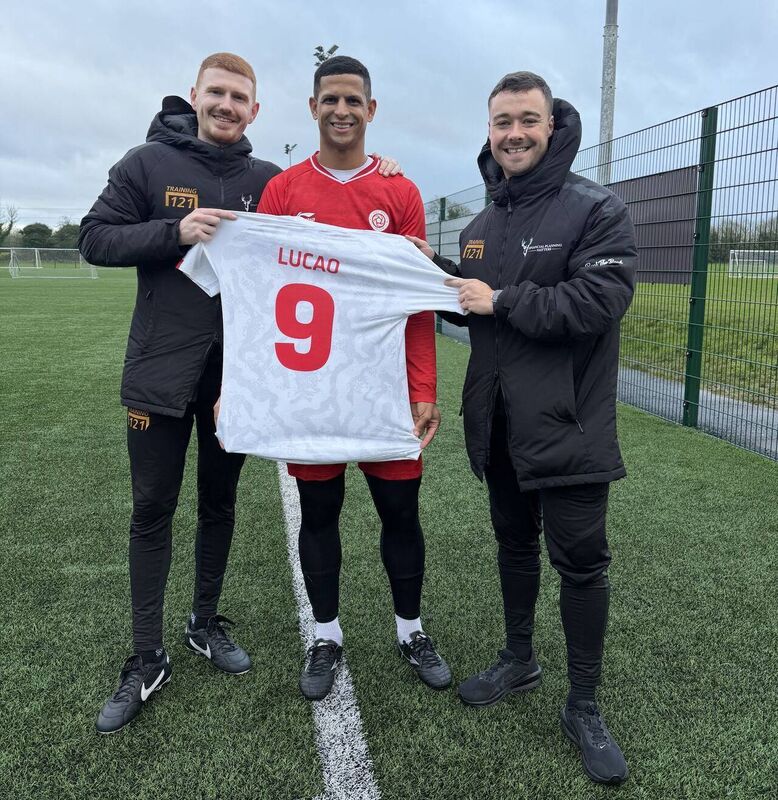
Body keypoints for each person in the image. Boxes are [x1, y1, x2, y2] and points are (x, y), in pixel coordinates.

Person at [408, 71, 636, 785]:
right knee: (513, 546)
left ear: (551, 124)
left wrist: (499, 298)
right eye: (502, 120)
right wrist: (430, 272)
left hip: (569, 427)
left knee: (582, 565)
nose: (513, 132)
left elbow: (599, 300)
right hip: (499, 426)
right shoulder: (480, 225)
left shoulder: (595, 209)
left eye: (527, 120)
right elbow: (470, 306)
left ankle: (585, 705)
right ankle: (519, 659)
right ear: (488, 129)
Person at [79, 52, 283, 735]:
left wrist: (383, 174)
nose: (227, 105)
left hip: (235, 381)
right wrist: (174, 233)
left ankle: (203, 623)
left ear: (255, 108)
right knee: (151, 510)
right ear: (195, 95)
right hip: (159, 376)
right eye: (217, 93)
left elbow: (323, 235)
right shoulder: (146, 164)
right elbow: (94, 237)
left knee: (219, 503)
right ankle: (146, 657)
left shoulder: (269, 181)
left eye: (240, 97)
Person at [255, 55, 452, 701]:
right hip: (314, 392)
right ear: (312, 107)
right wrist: (274, 391)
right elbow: (265, 299)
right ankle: (327, 634)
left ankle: (410, 630)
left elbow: (416, 301)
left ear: (372, 110)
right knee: (320, 514)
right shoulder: (282, 192)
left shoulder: (400, 192)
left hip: (384, 390)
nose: (342, 110)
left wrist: (422, 387)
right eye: (330, 99)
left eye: (354, 100)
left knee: (401, 513)